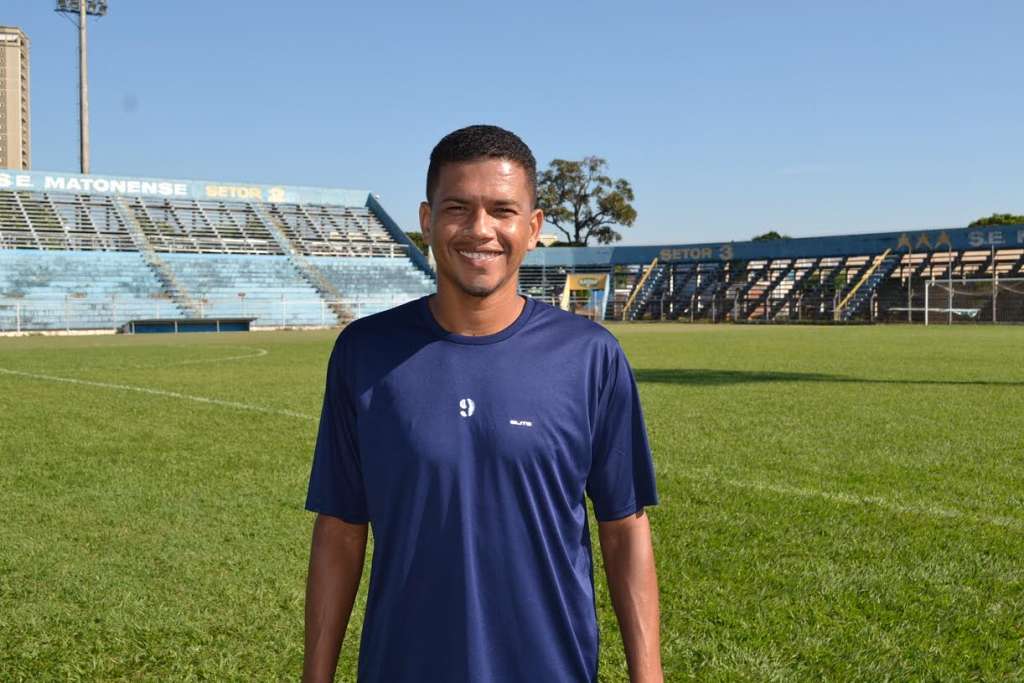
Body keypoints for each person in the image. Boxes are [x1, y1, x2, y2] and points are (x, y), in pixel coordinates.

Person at [303, 125, 662, 682]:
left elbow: (625, 526)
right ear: (426, 220)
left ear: (533, 226)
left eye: (502, 210)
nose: (480, 230)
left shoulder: (590, 356)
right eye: (457, 208)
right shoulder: (364, 353)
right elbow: (341, 529)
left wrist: (650, 677)